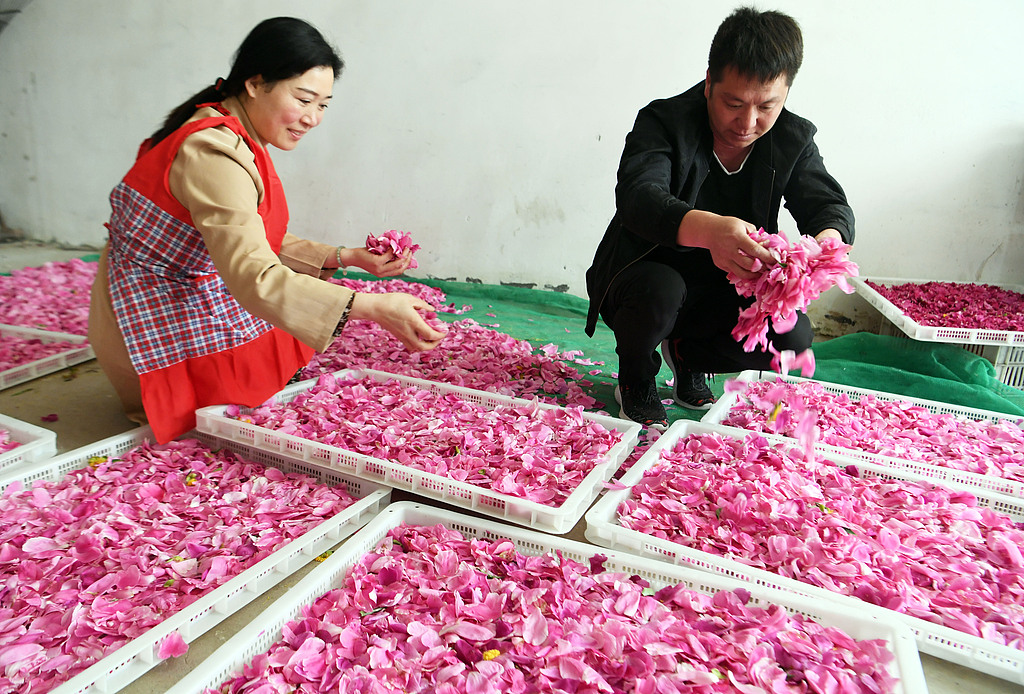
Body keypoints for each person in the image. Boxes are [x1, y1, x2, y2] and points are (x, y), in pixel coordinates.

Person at [88, 17, 446, 443]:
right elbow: (253, 273)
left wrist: (345, 256)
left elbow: (248, 236)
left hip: (185, 288)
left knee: (285, 344)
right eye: (304, 99)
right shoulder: (212, 152)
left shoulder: (233, 131)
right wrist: (370, 307)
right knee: (235, 398)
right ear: (256, 83)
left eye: (324, 105)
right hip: (149, 315)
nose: (313, 118)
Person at [585, 7, 854, 429]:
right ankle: (636, 379)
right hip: (645, 276)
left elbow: (828, 206)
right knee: (661, 291)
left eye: (767, 105)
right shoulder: (663, 122)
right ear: (709, 81)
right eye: (733, 103)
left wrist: (823, 250)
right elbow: (638, 197)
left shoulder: (792, 138)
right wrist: (711, 230)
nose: (747, 123)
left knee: (793, 335)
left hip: (722, 288)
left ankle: (687, 356)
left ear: (786, 93)